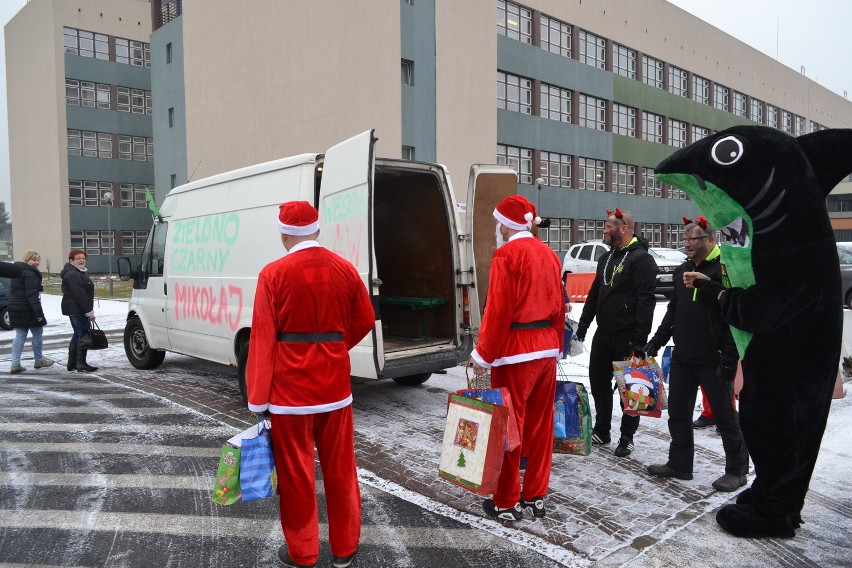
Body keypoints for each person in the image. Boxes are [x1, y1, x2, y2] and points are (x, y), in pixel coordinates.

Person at [246, 201, 375, 568]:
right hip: (335, 390)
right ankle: (345, 549)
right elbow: (365, 318)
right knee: (341, 469)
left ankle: (303, 552)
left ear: (284, 233)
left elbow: (264, 340)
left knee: (297, 475)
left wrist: (258, 397)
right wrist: (335, 345)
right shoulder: (344, 268)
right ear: (317, 229)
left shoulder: (273, 273)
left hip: (290, 395)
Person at [470, 195, 565, 521]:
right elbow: (560, 305)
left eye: (499, 222)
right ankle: (535, 494)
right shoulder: (549, 254)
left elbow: (497, 311)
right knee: (540, 427)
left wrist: (483, 354)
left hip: (515, 353)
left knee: (510, 426)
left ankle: (507, 500)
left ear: (505, 224)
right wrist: (557, 343)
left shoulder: (506, 255)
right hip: (546, 349)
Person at [643, 217, 749, 492]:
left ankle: (737, 471)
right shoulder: (682, 271)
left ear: (711, 240)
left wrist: (729, 358)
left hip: (714, 358)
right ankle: (679, 463)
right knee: (678, 413)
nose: (688, 243)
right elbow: (673, 313)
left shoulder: (724, 271)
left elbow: (733, 319)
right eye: (686, 239)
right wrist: (656, 342)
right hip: (683, 356)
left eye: (695, 239)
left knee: (725, 417)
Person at [574, 209, 657, 458]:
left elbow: (646, 301)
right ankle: (603, 430)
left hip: (628, 336)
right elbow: (594, 294)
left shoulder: (641, 259)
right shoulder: (606, 258)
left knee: (630, 391)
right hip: (604, 333)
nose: (604, 230)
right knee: (598, 383)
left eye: (608, 226)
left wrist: (640, 340)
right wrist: (583, 325)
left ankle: (627, 437)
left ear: (623, 228)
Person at [8, 249, 53, 373]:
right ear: (26, 259)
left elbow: (21, 288)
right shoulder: (30, 273)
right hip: (28, 308)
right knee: (37, 333)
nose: (37, 263)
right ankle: (39, 359)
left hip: (15, 307)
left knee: (20, 336)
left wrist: (37, 286)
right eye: (34, 260)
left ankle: (15, 364)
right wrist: (38, 313)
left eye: (38, 260)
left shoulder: (17, 271)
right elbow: (31, 294)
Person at [61, 249, 98, 372]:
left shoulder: (78, 272)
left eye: (83, 258)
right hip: (77, 309)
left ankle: (72, 363)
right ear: (71, 260)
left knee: (78, 334)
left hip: (76, 309)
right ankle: (80, 363)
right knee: (83, 335)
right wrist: (89, 312)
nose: (81, 260)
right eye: (78, 258)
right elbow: (79, 295)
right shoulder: (73, 274)